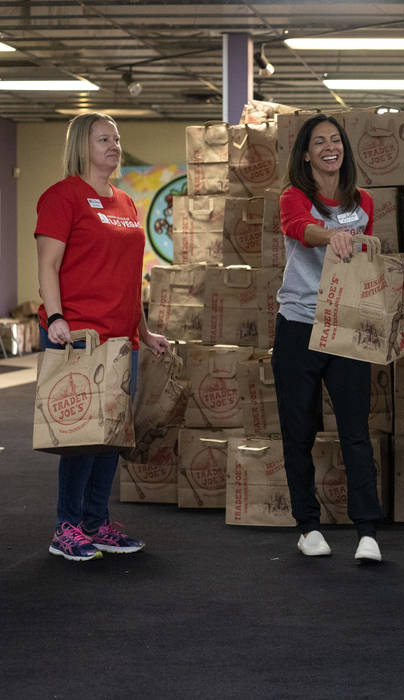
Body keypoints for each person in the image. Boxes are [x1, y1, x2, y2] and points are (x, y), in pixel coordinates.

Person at [35, 112, 169, 561]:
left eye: (117, 139)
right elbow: (48, 265)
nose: (114, 146)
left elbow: (130, 278)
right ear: (81, 145)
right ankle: (67, 528)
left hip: (120, 340)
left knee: (111, 433)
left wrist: (144, 332)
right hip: (77, 336)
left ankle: (96, 522)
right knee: (80, 436)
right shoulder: (62, 197)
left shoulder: (128, 204)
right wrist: (56, 317)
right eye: (103, 139)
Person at [272, 114, 383, 563]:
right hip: (298, 324)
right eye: (319, 142)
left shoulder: (364, 203)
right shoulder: (293, 197)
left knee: (356, 430)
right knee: (297, 430)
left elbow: (365, 259)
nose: (329, 147)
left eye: (335, 140)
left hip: (347, 327)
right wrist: (332, 235)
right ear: (306, 153)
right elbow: (299, 228)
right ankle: (307, 526)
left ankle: (368, 530)